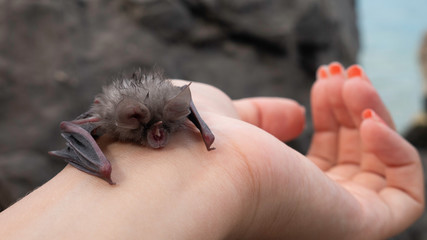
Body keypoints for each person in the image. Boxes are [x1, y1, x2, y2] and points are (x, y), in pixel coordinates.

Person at [0, 62, 423, 239]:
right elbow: (75, 129)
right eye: (155, 132)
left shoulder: (176, 112)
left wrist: (201, 133)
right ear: (135, 125)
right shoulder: (112, 123)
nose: (160, 137)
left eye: (168, 128)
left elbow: (186, 114)